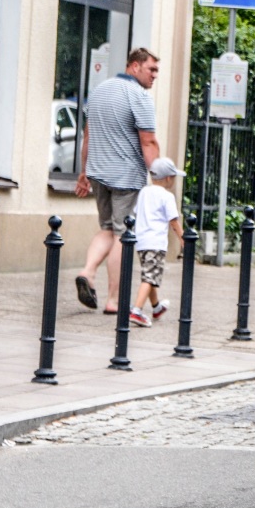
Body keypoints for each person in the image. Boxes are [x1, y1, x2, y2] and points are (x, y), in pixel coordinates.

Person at [74, 48, 161, 314]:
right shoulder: (139, 97)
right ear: (134, 66)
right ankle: (114, 300)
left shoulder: (100, 90)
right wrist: (158, 175)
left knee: (107, 230)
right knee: (123, 236)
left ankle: (88, 272)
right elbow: (148, 141)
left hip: (99, 174)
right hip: (126, 178)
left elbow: (88, 136)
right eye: (151, 69)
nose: (155, 75)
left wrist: (84, 173)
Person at [129, 158, 185, 328]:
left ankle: (156, 307)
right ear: (168, 178)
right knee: (150, 277)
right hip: (156, 242)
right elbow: (174, 221)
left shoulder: (144, 192)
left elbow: (136, 213)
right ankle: (137, 311)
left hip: (141, 242)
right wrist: (184, 239)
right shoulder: (167, 197)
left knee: (149, 274)